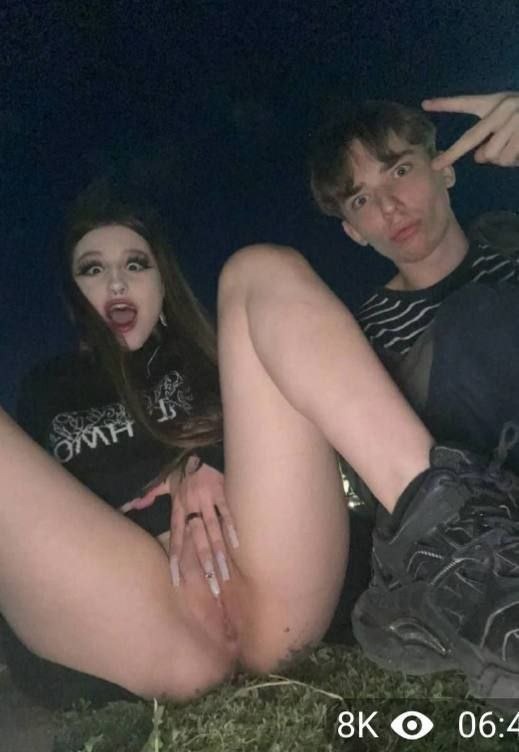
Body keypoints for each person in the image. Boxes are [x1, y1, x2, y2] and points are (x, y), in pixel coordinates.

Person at [308, 91, 519, 693]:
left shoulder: (511, 245)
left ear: (444, 168)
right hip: (480, 513)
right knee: (475, 323)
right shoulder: (359, 339)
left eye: (399, 170)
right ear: (353, 231)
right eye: (361, 199)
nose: (389, 206)